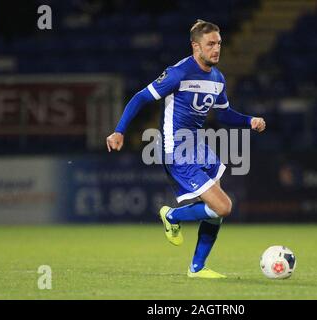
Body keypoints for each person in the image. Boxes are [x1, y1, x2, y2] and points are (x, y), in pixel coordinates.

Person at [106, 20, 266, 278]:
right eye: (210, 44)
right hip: (176, 149)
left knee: (216, 211)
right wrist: (120, 130)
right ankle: (172, 215)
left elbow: (224, 115)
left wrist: (249, 121)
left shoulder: (217, 78)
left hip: (198, 147)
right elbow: (141, 97)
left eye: (219, 44)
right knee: (223, 206)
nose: (216, 49)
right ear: (196, 47)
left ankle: (197, 268)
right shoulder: (178, 73)